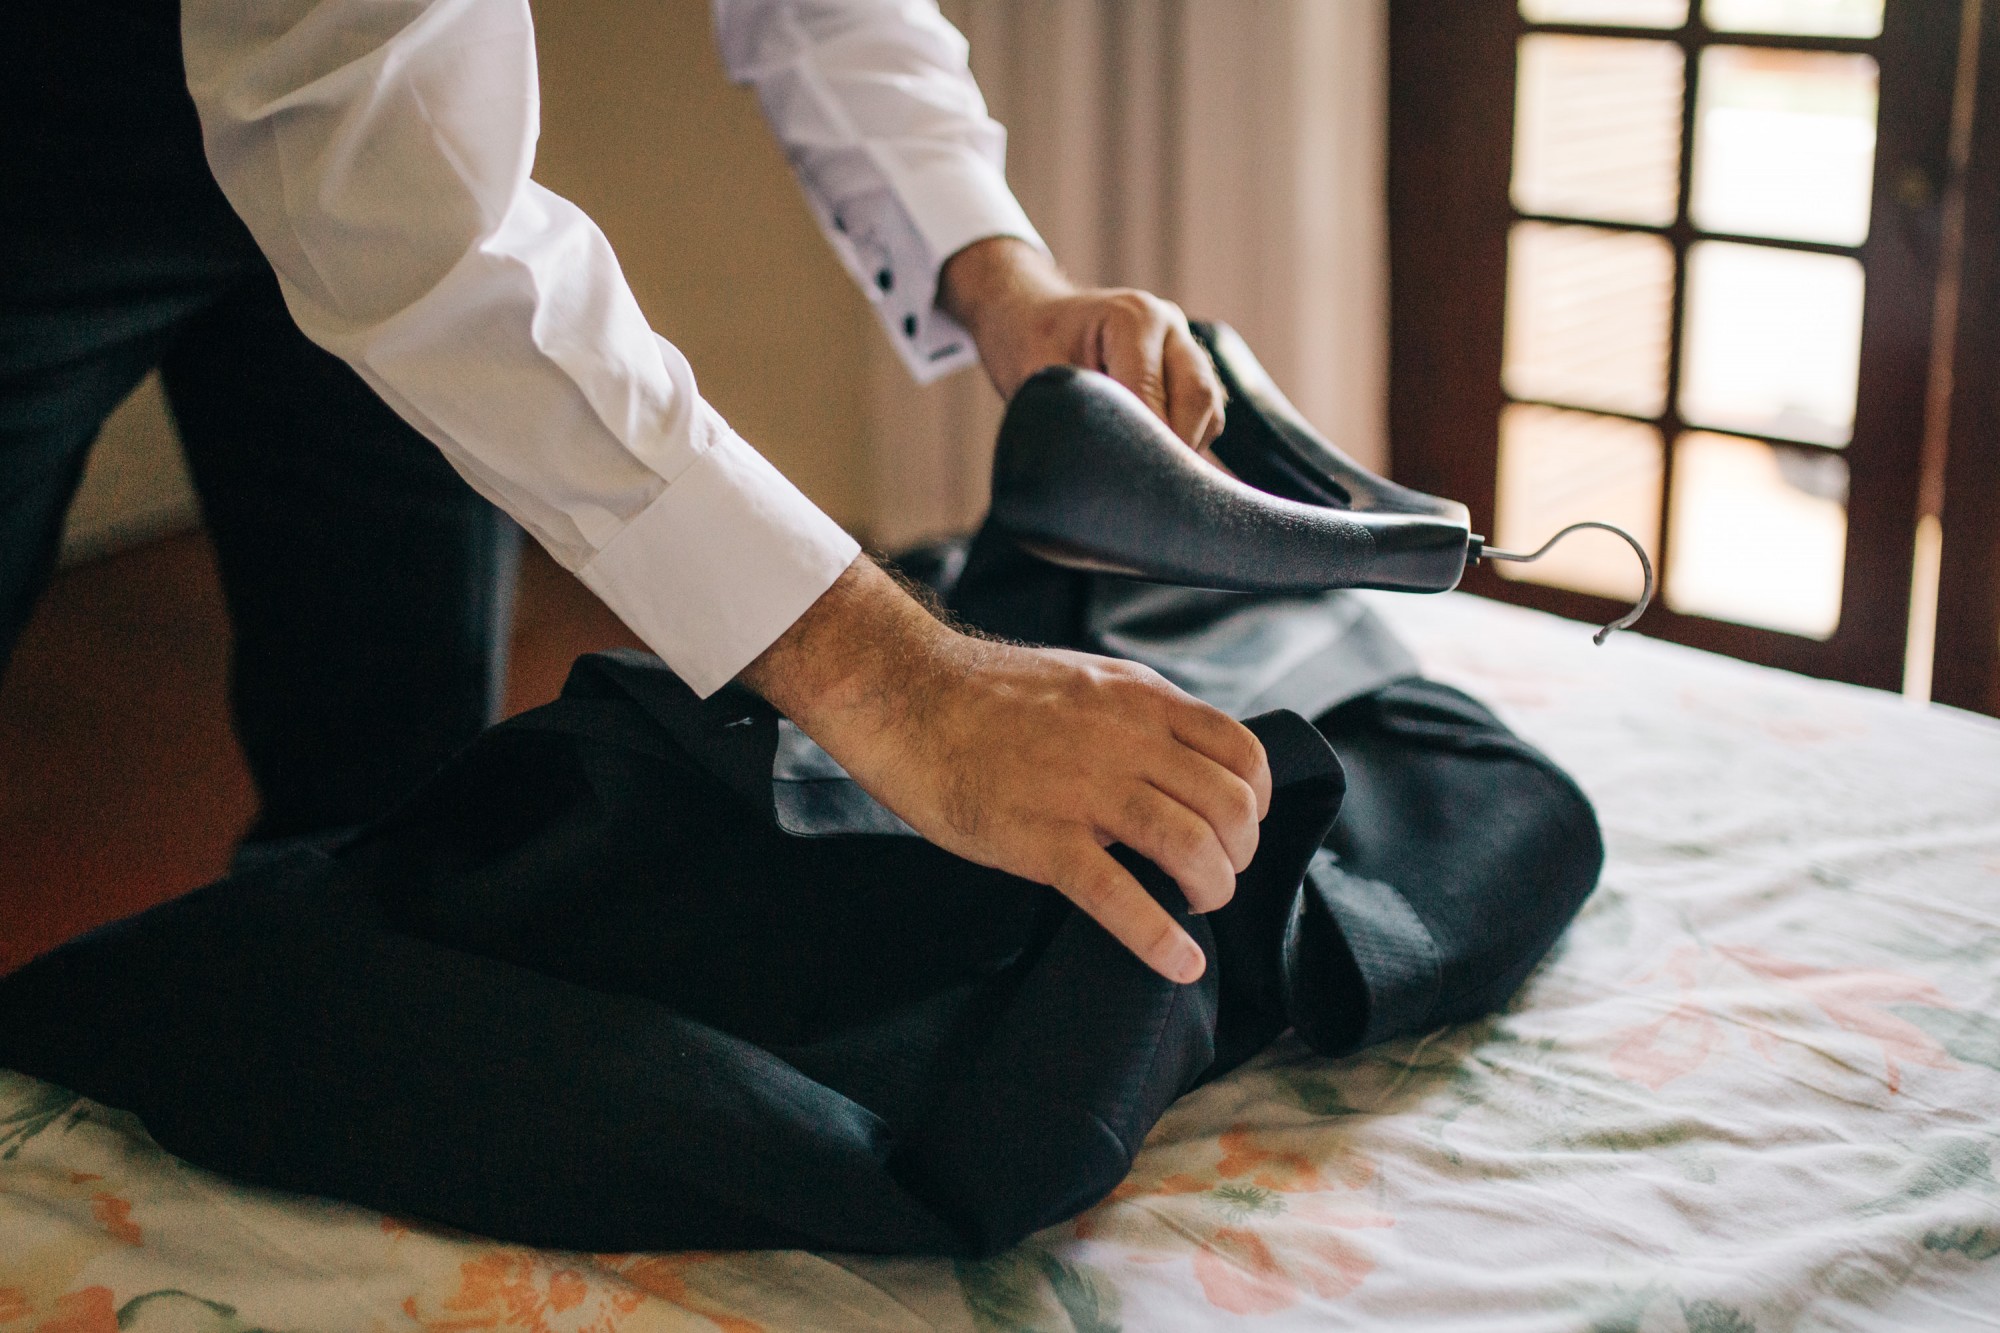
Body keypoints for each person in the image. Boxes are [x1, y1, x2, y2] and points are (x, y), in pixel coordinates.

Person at [1, 0, 1271, 985]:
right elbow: (385, 176)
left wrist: (1001, 281)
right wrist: (898, 683)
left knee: (387, 804)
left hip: (366, 127)